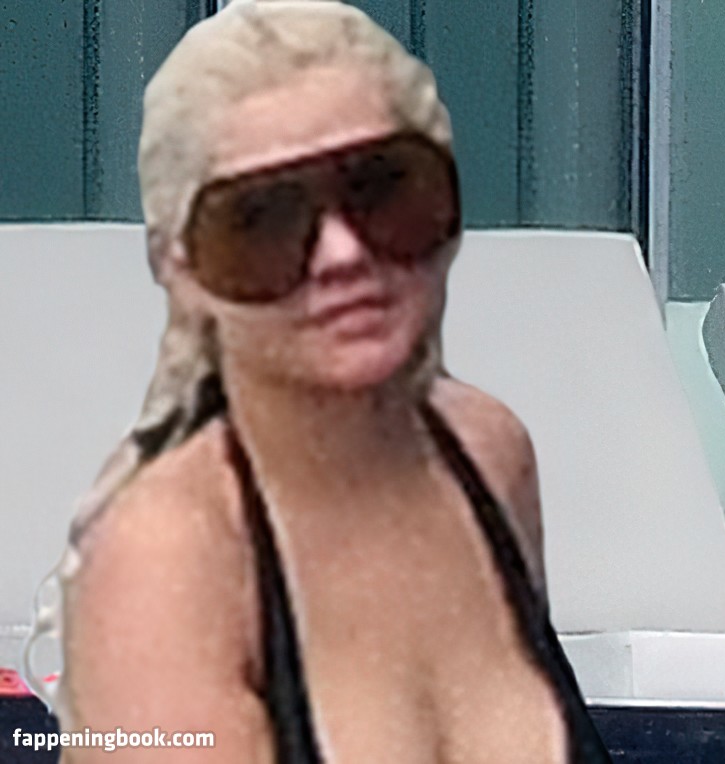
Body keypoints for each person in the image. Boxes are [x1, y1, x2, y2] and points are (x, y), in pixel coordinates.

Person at [21, 1, 611, 761]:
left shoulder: (488, 453)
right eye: (262, 219)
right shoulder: (169, 560)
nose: (342, 254)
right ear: (182, 268)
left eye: (384, 189)